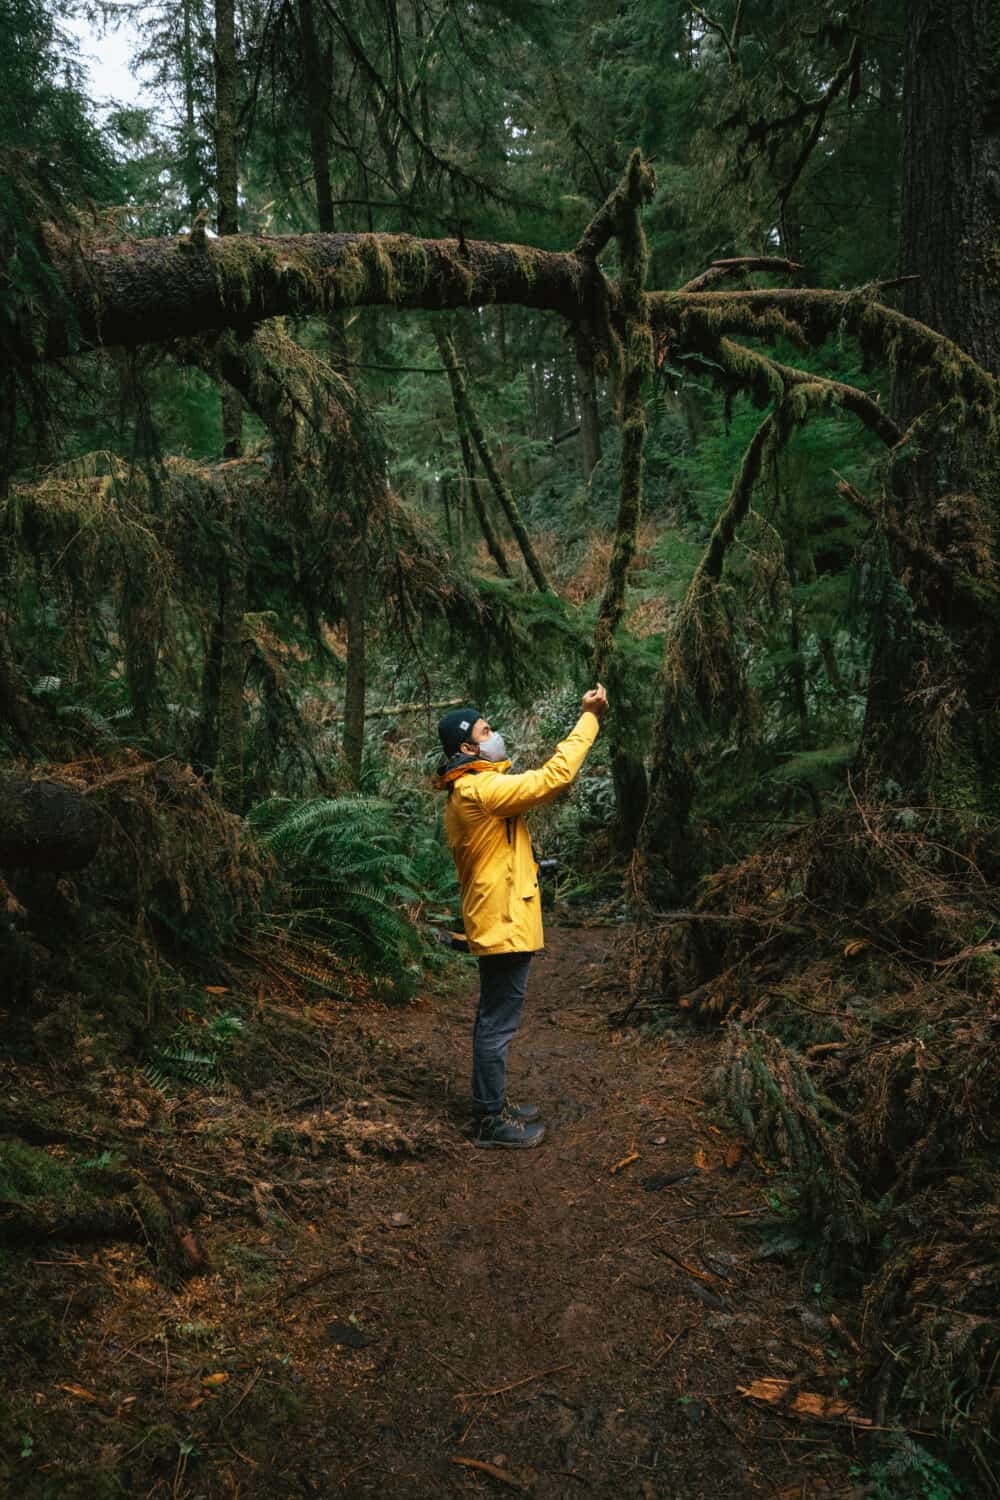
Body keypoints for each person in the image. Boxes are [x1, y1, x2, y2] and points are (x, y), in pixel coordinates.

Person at [435, 685, 610, 1147]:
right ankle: (489, 1119)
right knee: (497, 1023)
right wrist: (589, 717)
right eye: (485, 730)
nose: (495, 735)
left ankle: (492, 1103)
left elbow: (498, 855)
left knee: (493, 1018)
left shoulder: (473, 787)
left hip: (503, 918)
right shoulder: (479, 789)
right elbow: (554, 778)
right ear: (467, 747)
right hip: (503, 924)